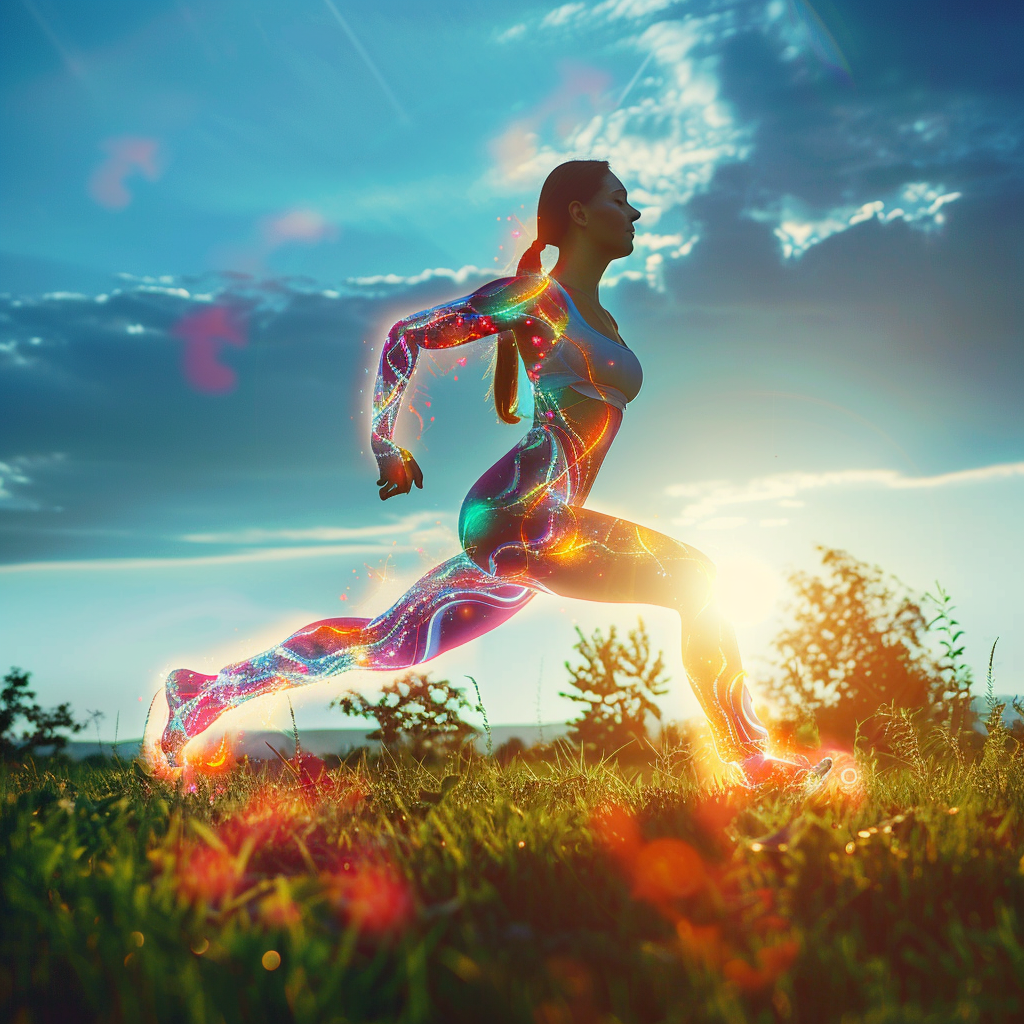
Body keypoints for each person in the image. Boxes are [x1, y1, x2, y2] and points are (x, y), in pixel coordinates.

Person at [143, 160, 830, 789]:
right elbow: (409, 334)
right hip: (521, 515)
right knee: (697, 580)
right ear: (581, 214)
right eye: (620, 200)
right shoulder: (536, 299)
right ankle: (754, 761)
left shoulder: (604, 320)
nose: (635, 213)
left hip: (535, 524)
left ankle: (202, 694)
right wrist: (386, 441)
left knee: (384, 645)